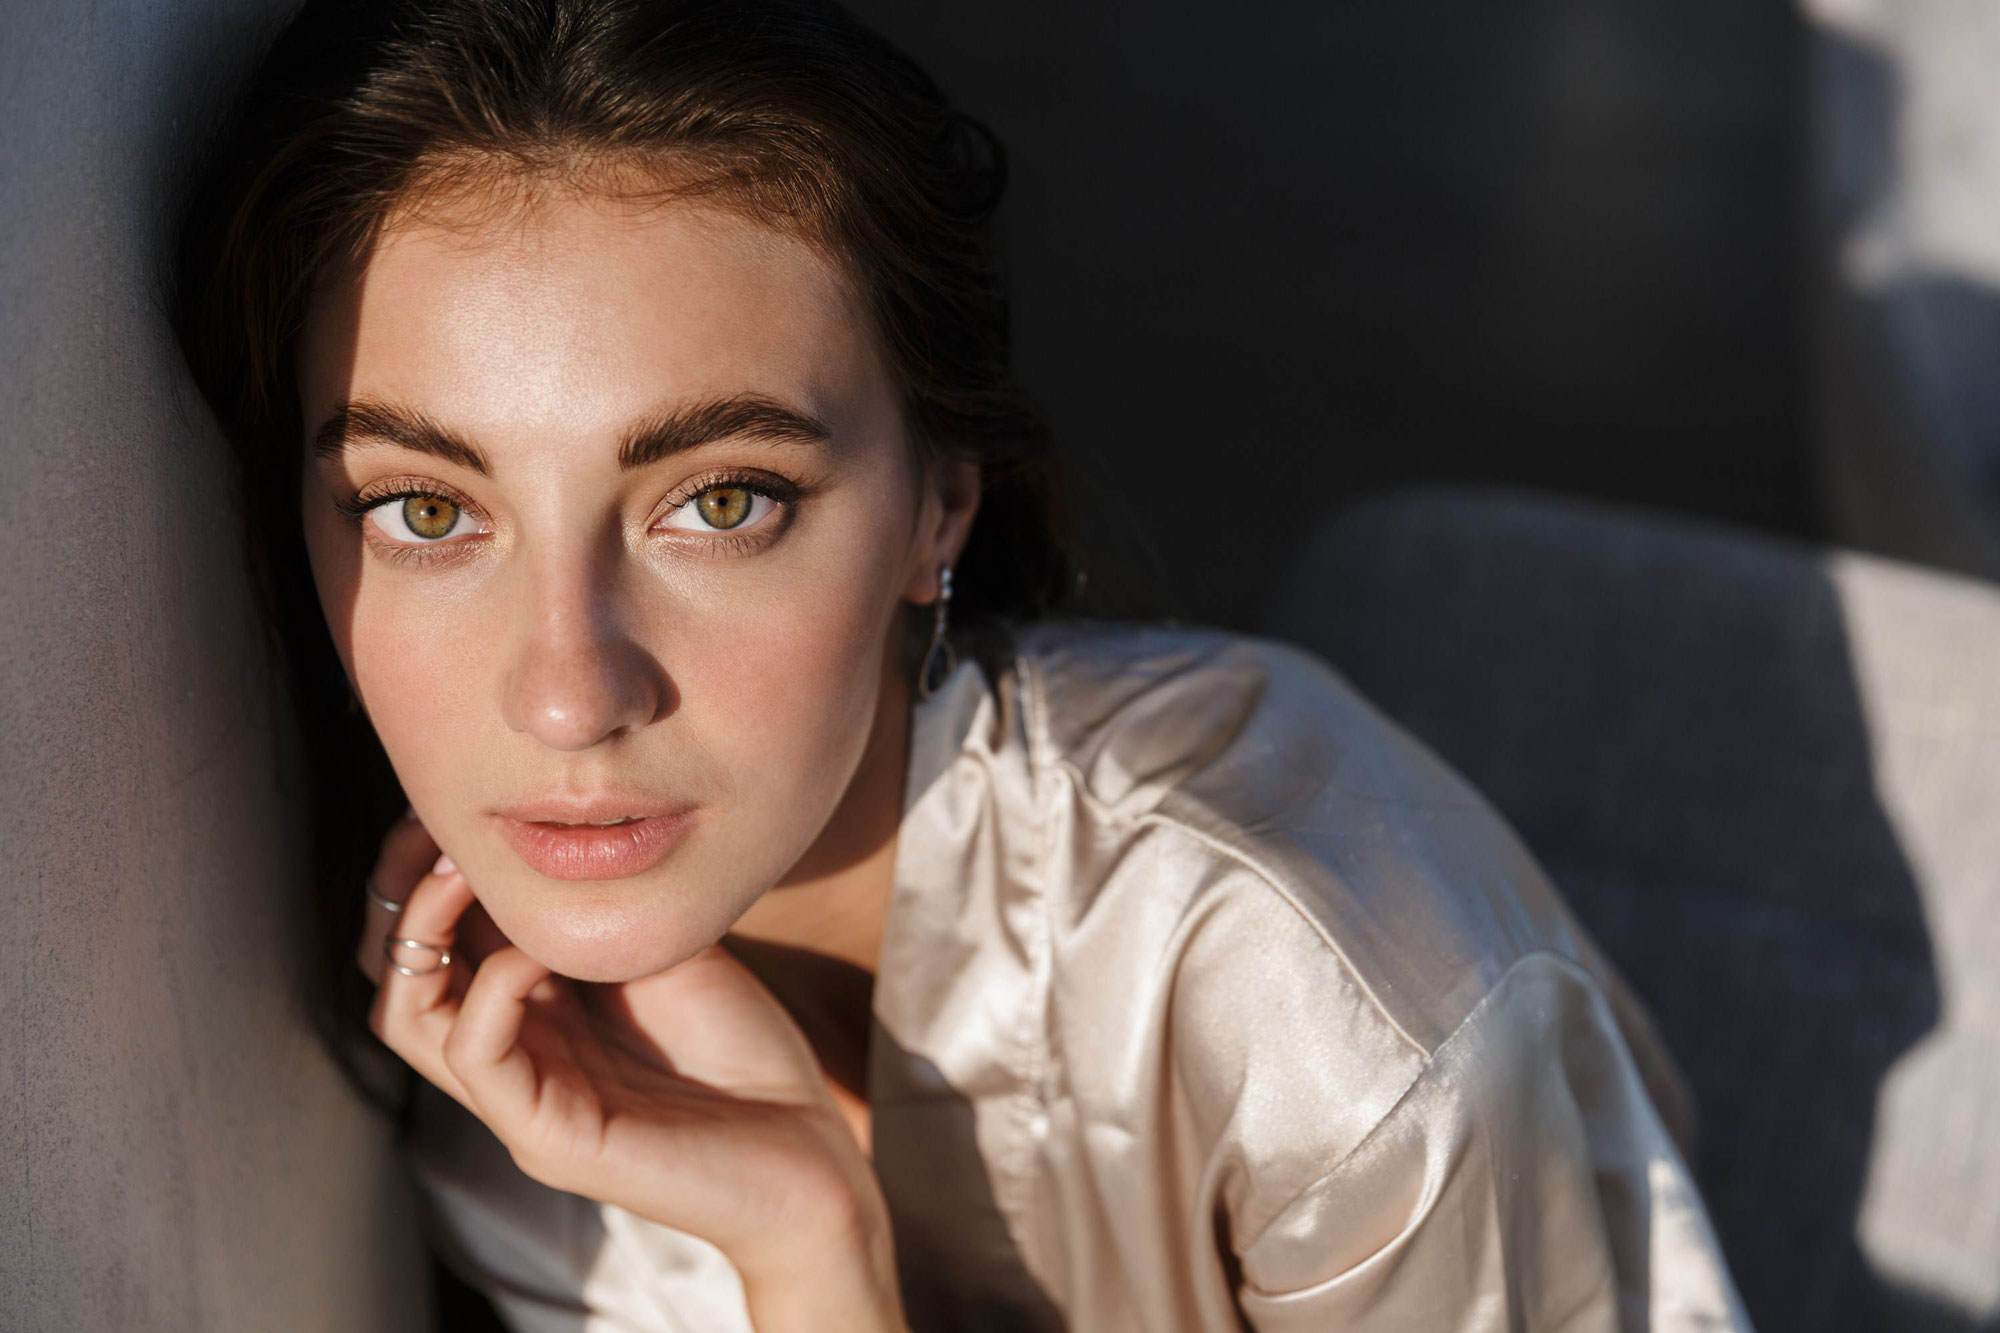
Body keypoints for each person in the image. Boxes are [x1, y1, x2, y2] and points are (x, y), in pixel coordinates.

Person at [168, 0, 1751, 1327]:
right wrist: (798, 1234)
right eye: (427, 509)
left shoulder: (1313, 1004)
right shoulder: (520, 1079)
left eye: (722, 501)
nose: (571, 696)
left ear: (939, 501)